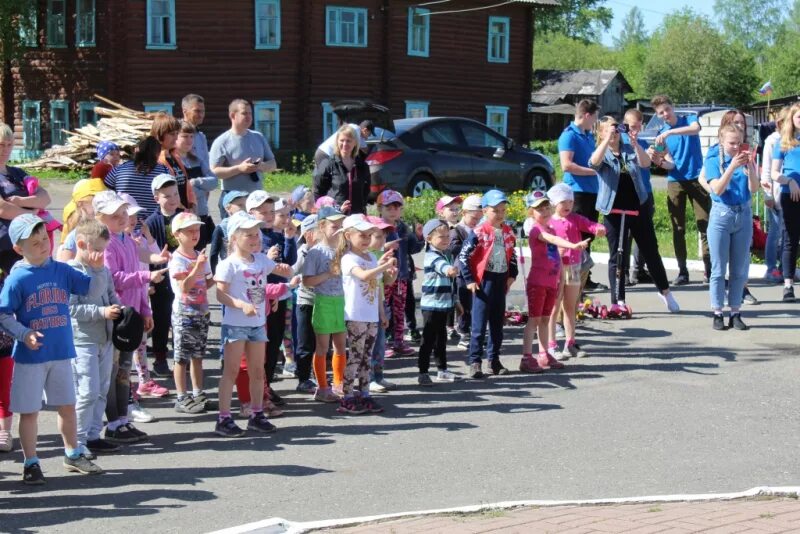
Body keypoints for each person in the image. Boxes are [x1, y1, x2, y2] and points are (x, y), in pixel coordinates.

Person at [0, 214, 100, 484]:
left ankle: (72, 453)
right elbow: (3, 314)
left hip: (61, 352)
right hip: (31, 357)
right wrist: (24, 333)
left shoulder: (60, 269)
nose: (44, 245)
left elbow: (88, 288)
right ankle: (31, 463)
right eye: (35, 243)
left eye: (45, 238)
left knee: (67, 406)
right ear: (19, 249)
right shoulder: (17, 278)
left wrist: (94, 267)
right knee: (29, 411)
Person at [212, 212, 292, 437]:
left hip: (258, 324)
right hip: (235, 324)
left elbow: (278, 272)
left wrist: (285, 270)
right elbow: (220, 295)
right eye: (249, 235)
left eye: (256, 234)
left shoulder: (260, 260)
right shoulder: (228, 264)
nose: (255, 238)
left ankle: (257, 414)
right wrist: (239, 304)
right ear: (235, 238)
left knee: (258, 371)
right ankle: (224, 418)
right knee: (232, 371)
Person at [591, 116, 680, 313]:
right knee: (618, 255)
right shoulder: (602, 152)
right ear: (601, 132)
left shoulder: (630, 148)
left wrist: (634, 144)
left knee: (650, 251)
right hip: (612, 209)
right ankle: (618, 299)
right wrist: (606, 140)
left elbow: (645, 163)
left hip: (637, 206)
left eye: (616, 126)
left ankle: (665, 292)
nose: (615, 130)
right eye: (610, 128)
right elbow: (594, 163)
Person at [97, 191, 166, 444]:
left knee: (125, 370)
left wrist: (145, 310)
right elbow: (114, 279)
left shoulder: (127, 239)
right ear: (100, 218)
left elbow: (136, 279)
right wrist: (147, 277)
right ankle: (113, 423)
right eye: (114, 215)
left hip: (133, 315)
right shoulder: (107, 243)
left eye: (123, 213)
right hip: (117, 318)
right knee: (114, 371)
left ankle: (123, 420)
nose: (122, 218)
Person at [67, 220, 122, 457]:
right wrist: (101, 312)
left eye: (104, 250)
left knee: (101, 388)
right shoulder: (71, 271)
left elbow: (110, 294)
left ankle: (92, 434)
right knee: (87, 392)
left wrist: (119, 308)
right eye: (97, 249)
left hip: (105, 338)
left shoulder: (103, 269)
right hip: (83, 340)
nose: (102, 255)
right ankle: (77, 442)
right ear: (81, 244)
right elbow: (71, 309)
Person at [520, 192, 589, 373]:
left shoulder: (550, 228)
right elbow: (552, 240)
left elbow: (555, 257)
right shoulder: (537, 230)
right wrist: (572, 245)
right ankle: (526, 357)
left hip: (551, 282)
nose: (544, 211)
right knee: (533, 321)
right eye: (538, 209)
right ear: (531, 213)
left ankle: (544, 354)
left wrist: (558, 280)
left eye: (546, 207)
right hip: (537, 282)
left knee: (544, 319)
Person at [336, 214, 396, 414]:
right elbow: (363, 275)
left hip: (371, 315)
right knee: (355, 356)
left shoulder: (371, 257)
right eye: (362, 235)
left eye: (369, 235)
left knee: (367, 357)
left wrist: (382, 313)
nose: (366, 239)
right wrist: (383, 265)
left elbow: (378, 285)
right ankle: (347, 396)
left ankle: (364, 394)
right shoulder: (348, 258)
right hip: (355, 315)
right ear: (347, 235)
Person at [650, 95, 711, 285]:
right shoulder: (662, 133)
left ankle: (710, 271)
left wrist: (671, 133)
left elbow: (696, 130)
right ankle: (683, 271)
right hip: (675, 181)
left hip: (697, 179)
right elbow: (670, 164)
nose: (665, 114)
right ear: (657, 115)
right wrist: (658, 161)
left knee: (705, 226)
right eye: (661, 113)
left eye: (667, 110)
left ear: (673, 107)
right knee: (678, 228)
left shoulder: (688, 120)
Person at [458, 190, 518, 379]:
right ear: (484, 210)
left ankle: (494, 360)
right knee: (479, 324)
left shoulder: (508, 232)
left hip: (501, 280)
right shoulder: (478, 232)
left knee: (497, 324)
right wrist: (469, 279)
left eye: (502, 210)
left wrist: (512, 275)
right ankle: (475, 361)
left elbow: (513, 255)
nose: (500, 214)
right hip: (483, 282)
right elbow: (463, 256)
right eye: (495, 210)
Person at [704, 123, 758, 330]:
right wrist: (732, 167)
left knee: (739, 269)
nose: (736, 147)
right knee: (718, 269)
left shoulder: (745, 159)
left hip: (742, 214)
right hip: (721, 214)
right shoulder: (713, 159)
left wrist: (750, 167)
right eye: (731, 143)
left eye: (739, 143)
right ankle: (717, 312)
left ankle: (735, 312)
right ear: (722, 141)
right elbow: (716, 189)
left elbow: (754, 188)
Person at [544, 184, 605, 360]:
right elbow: (541, 243)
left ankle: (570, 344)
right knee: (554, 307)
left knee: (570, 307)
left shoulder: (575, 218)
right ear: (554, 203)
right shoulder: (548, 222)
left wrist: (598, 228)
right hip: (554, 269)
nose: (568, 204)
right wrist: (554, 251)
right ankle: (551, 345)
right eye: (563, 201)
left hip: (573, 268)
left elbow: (590, 225)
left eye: (571, 200)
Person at [168, 213, 213, 413]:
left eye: (197, 230)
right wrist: (197, 267)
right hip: (184, 314)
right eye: (189, 231)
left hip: (202, 312)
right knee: (182, 357)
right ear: (177, 234)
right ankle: (181, 396)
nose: (195, 234)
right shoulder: (177, 259)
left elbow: (206, 283)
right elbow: (184, 287)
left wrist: (220, 277)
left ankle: (197, 392)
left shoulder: (199, 255)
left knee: (198, 356)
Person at [302, 206, 347, 402]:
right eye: (334, 226)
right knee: (322, 347)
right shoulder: (316, 253)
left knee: (341, 346)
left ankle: (339, 384)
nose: (338, 231)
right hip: (323, 302)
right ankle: (322, 388)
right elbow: (307, 281)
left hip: (341, 302)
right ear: (322, 225)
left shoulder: (344, 250)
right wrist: (329, 273)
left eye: (341, 227)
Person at [558, 99, 603, 291]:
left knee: (587, 235)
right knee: (577, 235)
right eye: (594, 118)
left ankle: (585, 276)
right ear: (586, 115)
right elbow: (566, 165)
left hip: (591, 191)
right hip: (577, 192)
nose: (595, 122)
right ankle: (574, 276)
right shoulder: (569, 136)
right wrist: (594, 172)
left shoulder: (586, 135)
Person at [210, 99, 277, 219]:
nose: (249, 117)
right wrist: (240, 169)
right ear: (232, 115)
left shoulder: (258, 137)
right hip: (233, 198)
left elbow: (273, 164)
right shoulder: (222, 142)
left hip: (256, 197)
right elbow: (214, 171)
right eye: (244, 113)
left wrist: (260, 166)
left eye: (250, 113)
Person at [0, 123, 53, 274]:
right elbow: (3, 209)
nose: (5, 149)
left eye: (9, 144)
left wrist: (21, 201)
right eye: (1, 144)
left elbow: (44, 198)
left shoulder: (17, 172)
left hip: (27, 242)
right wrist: (33, 214)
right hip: (4, 244)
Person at [145, 174, 183, 377]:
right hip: (162, 279)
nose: (173, 199)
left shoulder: (185, 217)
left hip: (183, 278)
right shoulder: (152, 222)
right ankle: (160, 358)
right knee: (161, 319)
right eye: (166, 196)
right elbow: (148, 254)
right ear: (156, 198)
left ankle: (181, 358)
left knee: (181, 320)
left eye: (175, 194)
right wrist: (150, 278)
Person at [377, 190, 422, 357]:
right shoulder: (376, 227)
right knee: (384, 308)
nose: (393, 211)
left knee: (399, 308)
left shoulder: (403, 227)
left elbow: (413, 248)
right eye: (389, 207)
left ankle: (399, 341)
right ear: (380, 208)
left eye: (396, 207)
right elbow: (370, 248)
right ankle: (384, 341)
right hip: (384, 277)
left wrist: (419, 236)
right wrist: (385, 247)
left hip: (401, 275)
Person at [417, 219, 460, 385]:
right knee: (427, 340)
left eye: (447, 236)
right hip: (431, 306)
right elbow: (442, 267)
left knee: (441, 340)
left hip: (444, 305)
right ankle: (423, 372)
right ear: (429, 239)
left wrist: (455, 301)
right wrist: (450, 270)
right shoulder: (431, 256)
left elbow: (449, 284)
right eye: (441, 237)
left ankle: (442, 370)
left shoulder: (445, 254)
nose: (445, 239)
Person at [770, 102, 800, 302]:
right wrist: (790, 181)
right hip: (791, 196)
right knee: (790, 240)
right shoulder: (783, 142)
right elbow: (774, 173)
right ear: (792, 119)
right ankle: (788, 285)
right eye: (799, 117)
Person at [621, 109, 655, 286]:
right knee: (626, 235)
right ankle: (624, 272)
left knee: (644, 233)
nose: (634, 131)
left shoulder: (642, 143)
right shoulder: (618, 143)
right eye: (631, 127)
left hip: (645, 192)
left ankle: (639, 270)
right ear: (624, 124)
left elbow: (648, 164)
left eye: (637, 126)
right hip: (628, 194)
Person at [366, 215, 398, 393]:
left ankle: (379, 376)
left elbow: (384, 283)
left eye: (384, 237)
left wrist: (392, 273)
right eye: (378, 236)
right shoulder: (364, 257)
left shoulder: (379, 255)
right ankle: (368, 379)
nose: (383, 241)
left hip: (379, 304)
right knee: (368, 346)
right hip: (366, 307)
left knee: (380, 344)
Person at [104, 135, 170, 219]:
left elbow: (107, 195)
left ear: (136, 150)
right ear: (157, 153)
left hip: (123, 223)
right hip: (152, 224)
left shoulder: (119, 169)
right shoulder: (164, 171)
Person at [177, 120, 218, 249]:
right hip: (182, 216)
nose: (189, 140)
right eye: (185, 136)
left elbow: (214, 181)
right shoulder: (173, 162)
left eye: (191, 136)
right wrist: (200, 191)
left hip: (200, 213)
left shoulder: (197, 160)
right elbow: (179, 190)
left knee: (200, 253)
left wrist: (195, 183)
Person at [313, 125, 371, 215]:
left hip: (357, 217)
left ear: (355, 143)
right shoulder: (328, 164)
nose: (344, 144)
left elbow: (366, 191)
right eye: (342, 140)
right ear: (337, 142)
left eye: (348, 141)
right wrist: (326, 211)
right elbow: (318, 192)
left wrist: (362, 208)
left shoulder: (362, 166)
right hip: (334, 217)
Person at [450, 194, 482, 349]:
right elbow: (452, 248)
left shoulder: (480, 230)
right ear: (464, 213)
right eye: (473, 218)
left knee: (477, 304)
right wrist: (469, 246)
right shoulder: (457, 230)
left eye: (478, 218)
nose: (476, 222)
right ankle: (463, 332)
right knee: (464, 304)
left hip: (478, 272)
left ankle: (475, 331)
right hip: (462, 273)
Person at [292, 214, 319, 394]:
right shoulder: (303, 250)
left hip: (323, 301)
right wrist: (307, 249)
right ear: (309, 234)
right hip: (305, 301)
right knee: (305, 342)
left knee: (320, 341)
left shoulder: (326, 249)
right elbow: (294, 270)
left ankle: (317, 375)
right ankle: (303, 378)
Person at [761, 108, 788, 284]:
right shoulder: (773, 140)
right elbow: (767, 169)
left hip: (791, 193)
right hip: (776, 193)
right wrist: (768, 194)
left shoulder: (794, 139)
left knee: (787, 234)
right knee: (775, 232)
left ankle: (784, 267)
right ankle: (771, 267)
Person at [152, 113, 196, 212]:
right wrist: (183, 209)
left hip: (184, 212)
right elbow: (163, 192)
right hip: (170, 213)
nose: (176, 138)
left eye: (177, 133)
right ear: (160, 134)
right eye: (172, 134)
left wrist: (193, 204)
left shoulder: (175, 156)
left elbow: (186, 183)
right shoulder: (156, 160)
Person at [58, 178, 108, 260]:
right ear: (80, 204)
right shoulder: (75, 233)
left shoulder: (107, 225)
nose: (102, 207)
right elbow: (64, 261)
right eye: (97, 202)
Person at [209, 190, 248, 273]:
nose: (244, 209)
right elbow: (214, 254)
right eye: (240, 205)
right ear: (228, 208)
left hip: (246, 268)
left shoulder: (250, 224)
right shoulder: (222, 227)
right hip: (228, 269)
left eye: (245, 205)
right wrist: (215, 274)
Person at [181, 93, 210, 169]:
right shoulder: (175, 135)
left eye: (203, 111)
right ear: (185, 111)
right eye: (197, 111)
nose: (201, 115)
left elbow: (207, 168)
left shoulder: (201, 137)